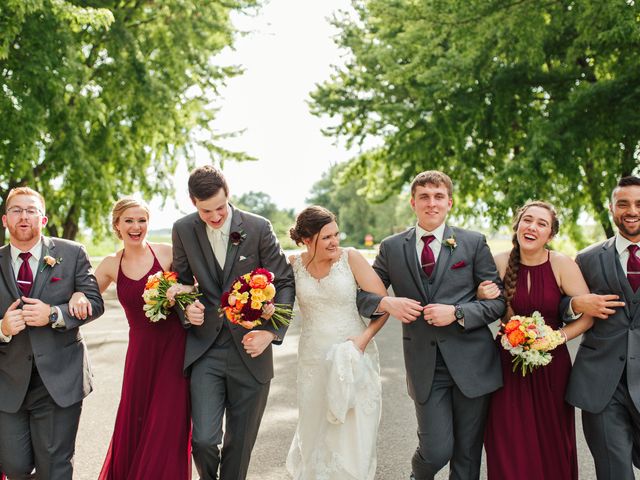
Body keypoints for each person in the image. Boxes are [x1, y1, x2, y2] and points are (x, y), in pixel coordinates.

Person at [356, 170, 505, 480]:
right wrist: (388, 303)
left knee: (467, 455)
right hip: (425, 364)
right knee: (436, 449)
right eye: (424, 196)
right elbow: (363, 295)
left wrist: (458, 312)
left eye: (438, 196)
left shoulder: (473, 242)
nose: (431, 203)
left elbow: (497, 303)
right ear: (413, 202)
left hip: (473, 363)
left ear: (449, 202)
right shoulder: (392, 247)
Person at [172, 165, 295, 480]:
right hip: (206, 349)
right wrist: (187, 310)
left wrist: (270, 332)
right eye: (205, 211)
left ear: (229, 196)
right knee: (203, 440)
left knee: (239, 446)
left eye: (220, 208)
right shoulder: (183, 230)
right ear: (192, 202)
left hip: (252, 349)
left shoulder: (258, 227)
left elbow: (284, 281)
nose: (214, 217)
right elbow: (183, 283)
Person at [69, 198, 192, 479]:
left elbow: (196, 286)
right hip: (139, 355)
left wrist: (180, 290)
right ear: (117, 225)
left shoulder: (167, 254)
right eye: (129, 221)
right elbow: (86, 294)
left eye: (142, 220)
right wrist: (77, 294)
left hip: (175, 351)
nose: (136, 227)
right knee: (135, 422)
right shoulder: (111, 264)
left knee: (168, 424)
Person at [479, 201, 594, 480]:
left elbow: (588, 317)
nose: (532, 227)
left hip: (552, 367)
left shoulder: (562, 264)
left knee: (552, 442)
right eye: (527, 220)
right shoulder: (499, 262)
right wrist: (481, 295)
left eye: (541, 223)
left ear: (550, 234)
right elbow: (481, 309)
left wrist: (557, 337)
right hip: (506, 366)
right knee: (507, 444)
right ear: (517, 226)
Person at [0, 187, 104, 479]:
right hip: (7, 382)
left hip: (60, 380)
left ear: (43, 220)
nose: (24, 216)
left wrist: (55, 314)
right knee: (14, 466)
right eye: (16, 210)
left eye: (31, 210)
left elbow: (94, 302)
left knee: (54, 468)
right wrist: (2, 328)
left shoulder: (72, 253)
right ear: (5, 220)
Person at [285, 206, 390, 480]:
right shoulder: (293, 264)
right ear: (307, 240)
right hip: (312, 360)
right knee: (316, 429)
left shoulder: (350, 258)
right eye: (327, 237)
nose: (335, 242)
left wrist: (362, 341)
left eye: (336, 234)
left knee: (353, 433)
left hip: (353, 355)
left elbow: (384, 305)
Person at [565, 176, 640, 480]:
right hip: (602, 386)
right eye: (623, 203)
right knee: (614, 472)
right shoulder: (586, 259)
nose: (631, 210)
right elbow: (560, 304)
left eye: (638, 204)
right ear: (611, 208)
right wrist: (576, 305)